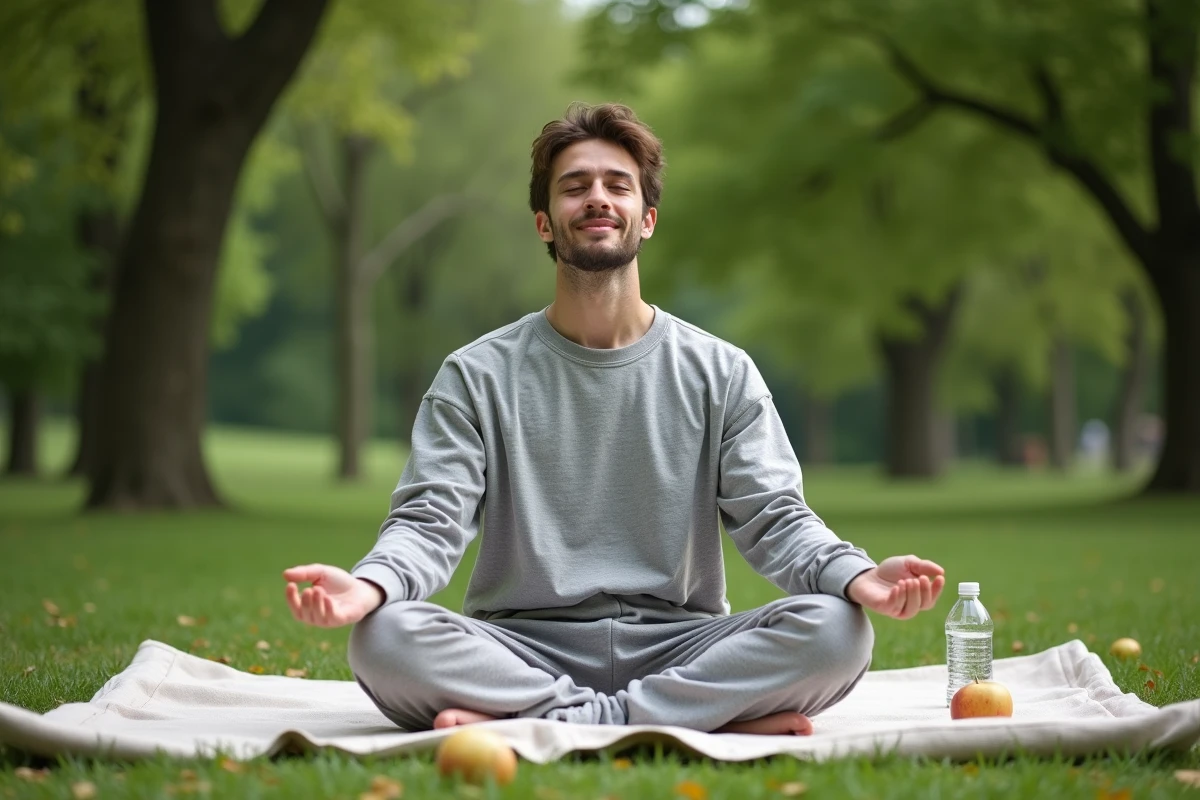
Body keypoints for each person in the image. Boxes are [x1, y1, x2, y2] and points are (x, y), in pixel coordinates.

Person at [283, 102, 947, 736]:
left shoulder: (721, 371)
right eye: (574, 186)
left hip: (682, 646)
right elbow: (430, 521)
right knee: (386, 636)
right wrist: (370, 586)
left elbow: (776, 518)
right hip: (520, 648)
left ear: (646, 217)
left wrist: (854, 575)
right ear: (545, 222)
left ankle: (549, 720)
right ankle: (685, 718)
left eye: (617, 185)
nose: (596, 198)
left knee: (839, 629)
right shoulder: (475, 374)